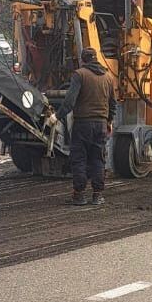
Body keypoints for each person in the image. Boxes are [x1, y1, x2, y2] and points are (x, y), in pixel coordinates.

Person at [57, 48, 117, 205]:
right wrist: (109, 121)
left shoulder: (80, 74)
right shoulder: (108, 77)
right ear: (96, 59)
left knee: (79, 158)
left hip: (83, 124)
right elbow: (113, 103)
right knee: (98, 159)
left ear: (82, 60)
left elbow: (70, 101)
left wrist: (56, 116)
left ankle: (79, 195)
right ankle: (97, 195)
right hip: (101, 124)